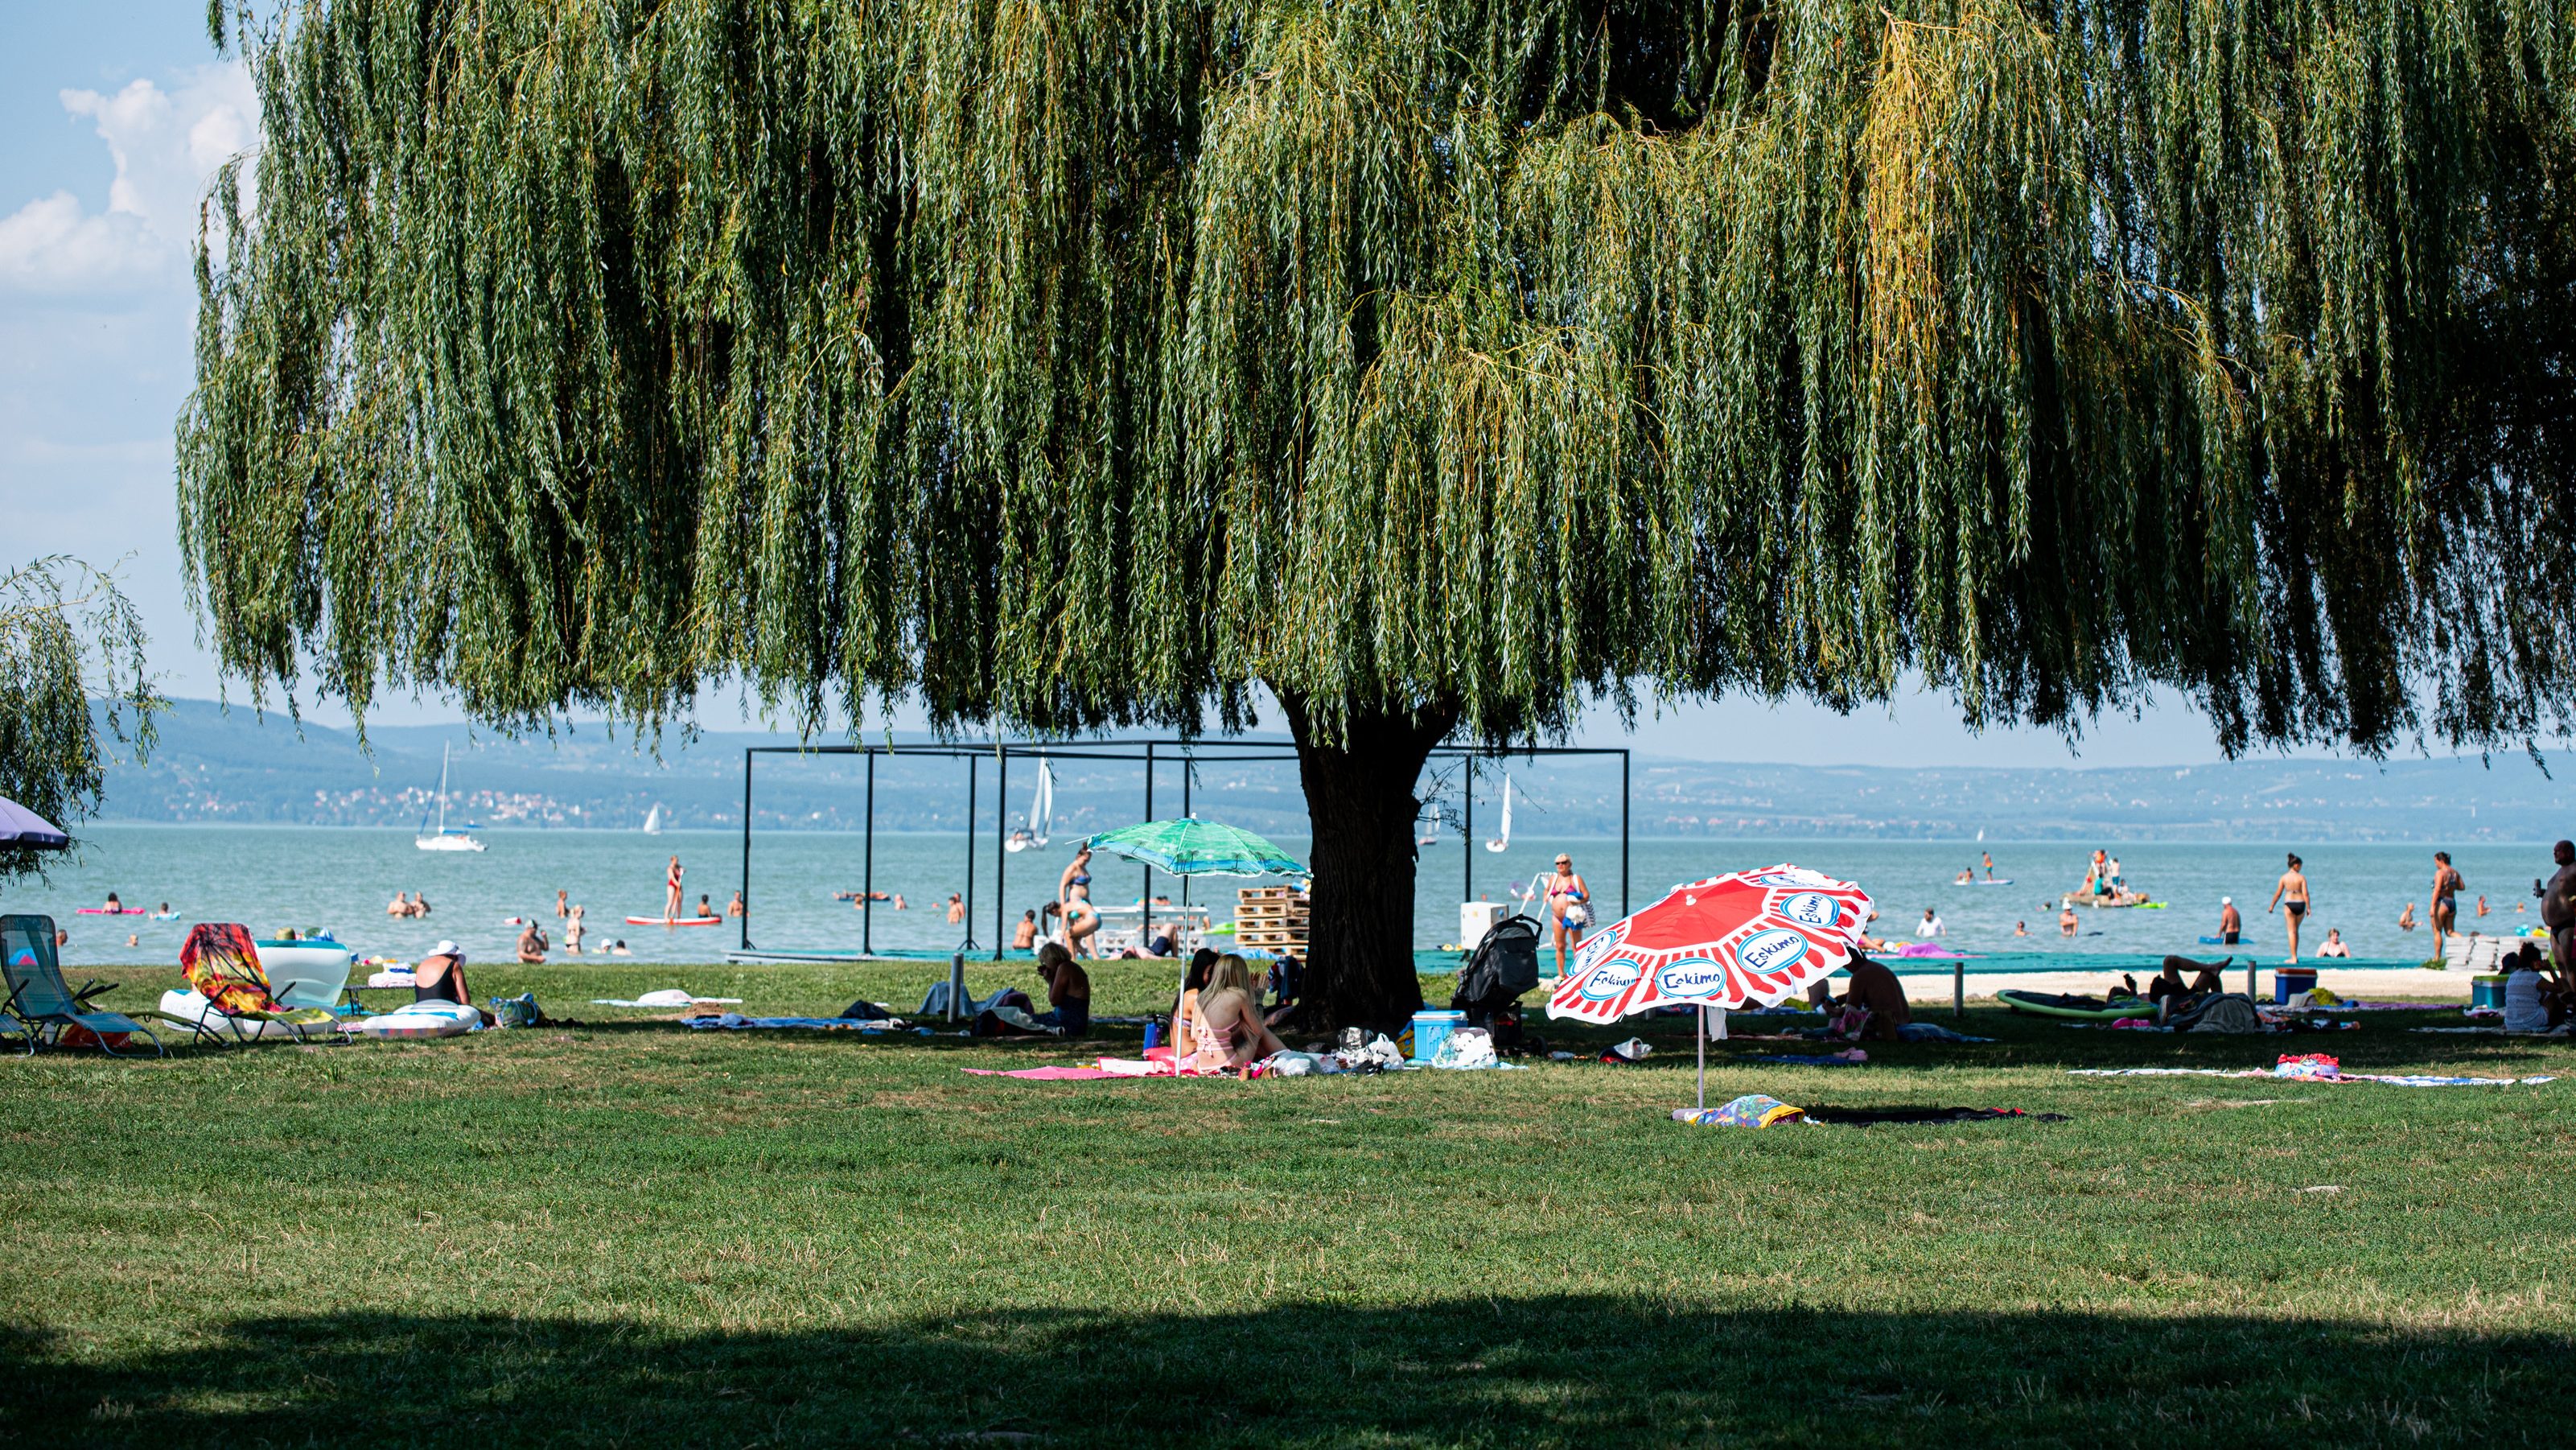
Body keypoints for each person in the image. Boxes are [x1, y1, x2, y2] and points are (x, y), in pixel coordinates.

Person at [1186, 954, 1288, 1075]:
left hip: (1203, 1065)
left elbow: (1194, 1036)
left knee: (1241, 1030)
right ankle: (1287, 1056)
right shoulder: (1239, 995)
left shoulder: (1202, 996)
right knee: (1255, 1031)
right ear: (1241, 974)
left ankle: (1281, 1057)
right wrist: (1258, 999)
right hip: (1229, 1064)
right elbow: (1258, 1031)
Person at [1838, 954, 1911, 1040]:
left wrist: (1833, 1011)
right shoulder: (1878, 967)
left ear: (1849, 962)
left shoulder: (1859, 975)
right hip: (1905, 1019)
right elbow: (1872, 991)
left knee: (1838, 1027)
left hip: (1888, 1025)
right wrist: (1842, 998)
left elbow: (1851, 1011)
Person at [1544, 854, 1591, 978]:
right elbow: (1547, 890)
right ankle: (1561, 974)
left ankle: (1578, 973)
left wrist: (1578, 901)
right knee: (1559, 945)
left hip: (1572, 916)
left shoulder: (1576, 879)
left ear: (1570, 864)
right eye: (1558, 863)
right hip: (1557, 917)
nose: (1561, 865)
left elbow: (1586, 895)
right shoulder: (1553, 879)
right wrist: (1546, 897)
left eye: (1564, 862)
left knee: (1576, 945)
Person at [1031, 942, 1092, 1036]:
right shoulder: (1070, 966)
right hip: (1075, 1023)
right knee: (1029, 1018)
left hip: (1067, 1024)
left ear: (1051, 959)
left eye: (1045, 962)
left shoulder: (1064, 968)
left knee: (1027, 1022)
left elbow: (1054, 1001)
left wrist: (1050, 980)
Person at [2537, 840, 2576, 973]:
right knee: (2560, 965)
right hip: (2554, 928)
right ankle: (2566, 993)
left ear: (2569, 852)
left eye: (2558, 850)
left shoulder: (2574, 868)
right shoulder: (2559, 873)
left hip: (2568, 924)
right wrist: (2544, 894)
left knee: (2570, 965)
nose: (2555, 853)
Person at [2268, 853, 2311, 962]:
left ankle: (2294, 957)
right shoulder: (2302, 878)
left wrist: (2272, 905)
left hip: (2289, 904)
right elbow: (2306, 894)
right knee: (2296, 931)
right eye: (2300, 866)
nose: (2301, 868)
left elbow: (2278, 893)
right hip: (2301, 904)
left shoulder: (2284, 878)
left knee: (2291, 931)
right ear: (2296, 865)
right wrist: (2309, 908)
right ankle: (2294, 956)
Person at [2504, 943, 2552, 1033]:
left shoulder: (2513, 976)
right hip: (2529, 1022)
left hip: (2510, 1024)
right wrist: (2551, 969)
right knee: (2553, 996)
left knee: (2542, 994)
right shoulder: (2534, 977)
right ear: (2535, 962)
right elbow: (2559, 988)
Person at [414, 940, 471, 1004]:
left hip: (420, 1006)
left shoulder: (422, 964)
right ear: (454, 956)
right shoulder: (454, 965)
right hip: (445, 1008)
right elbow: (465, 1001)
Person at [2431, 851, 2464, 958]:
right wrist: (2451, 886)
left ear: (2441, 861)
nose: (2436, 865)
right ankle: (2464, 943)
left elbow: (2437, 889)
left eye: (2436, 862)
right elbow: (2462, 887)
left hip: (2442, 902)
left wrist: (2432, 906)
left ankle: (2437, 959)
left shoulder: (2440, 873)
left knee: (2437, 931)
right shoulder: (2454, 872)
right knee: (2450, 931)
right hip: (2452, 902)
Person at [663, 855, 684, 924]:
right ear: (672, 860)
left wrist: (683, 870)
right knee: (671, 901)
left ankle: (679, 918)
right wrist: (677, 884)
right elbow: (672, 878)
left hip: (679, 886)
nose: (677, 861)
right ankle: (666, 917)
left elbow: (684, 870)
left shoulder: (678, 866)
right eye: (676, 860)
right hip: (672, 885)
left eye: (677, 860)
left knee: (680, 902)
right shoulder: (670, 868)